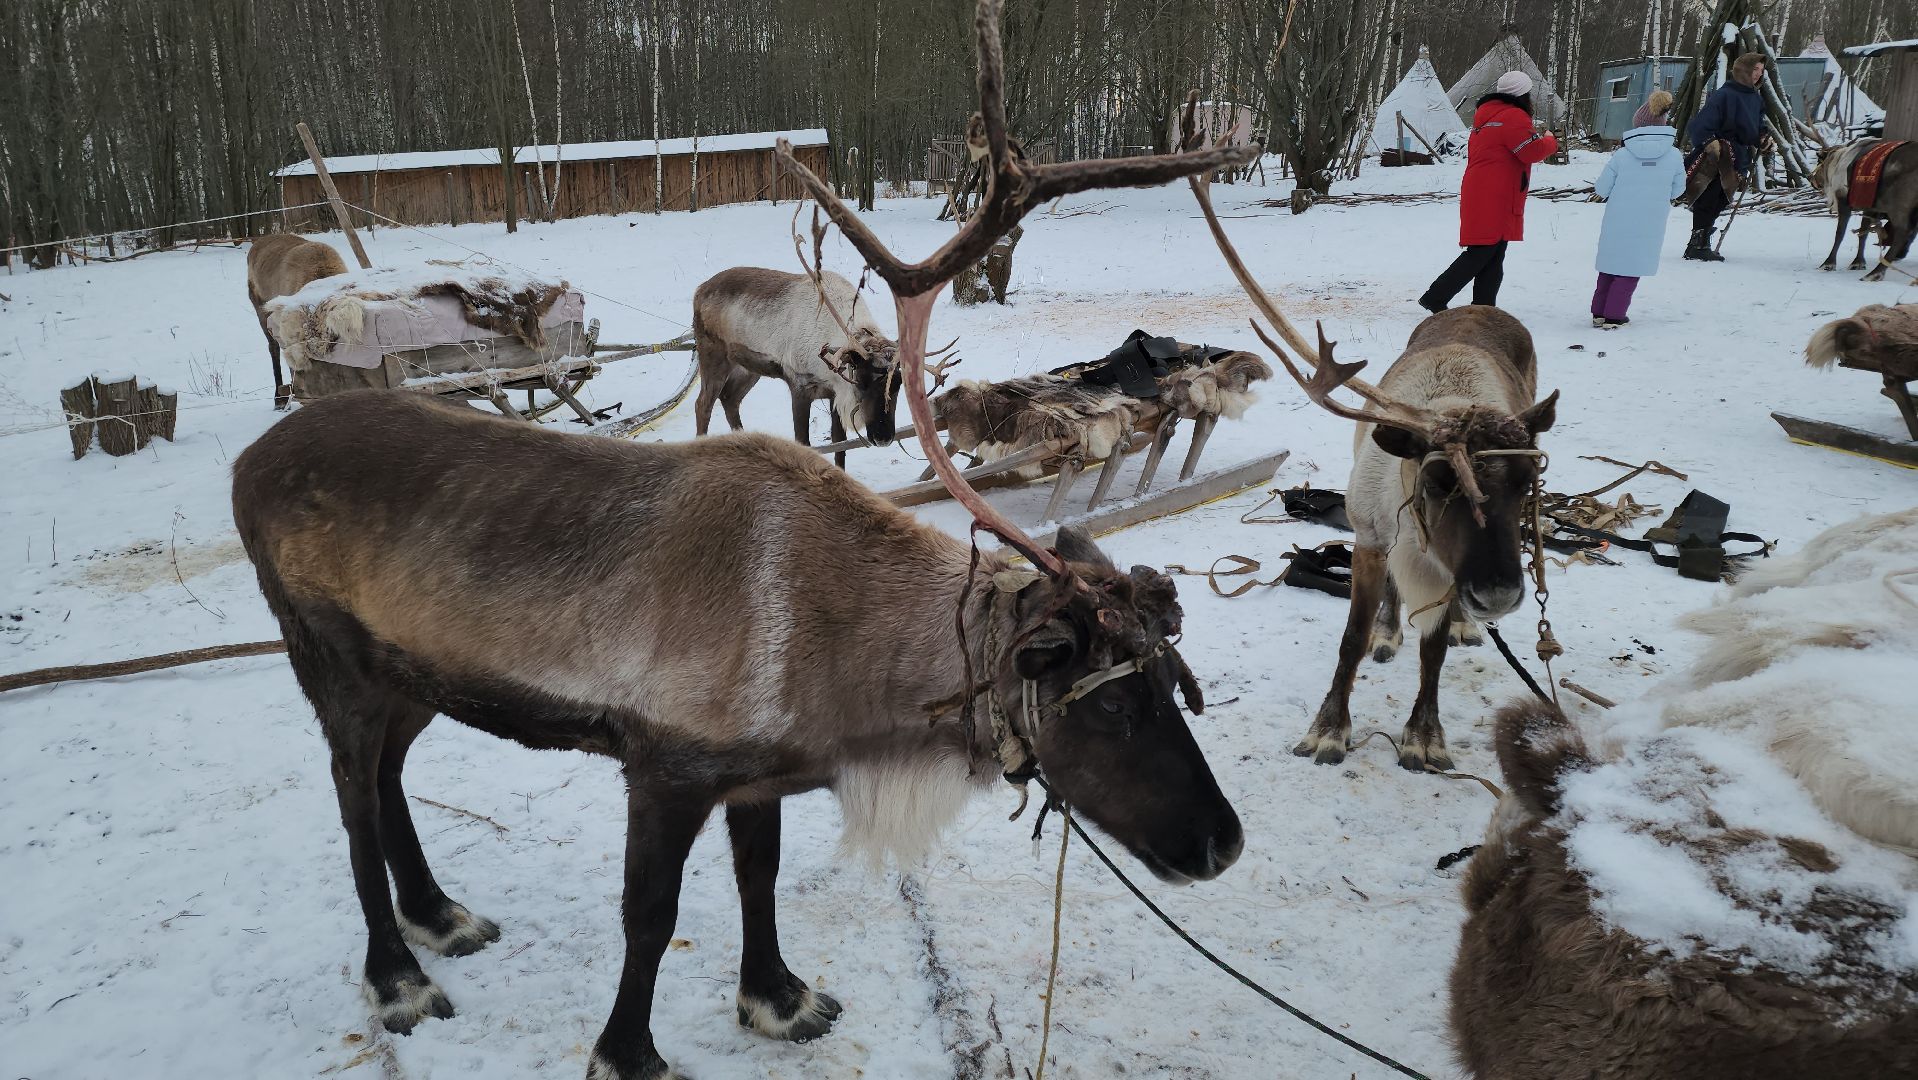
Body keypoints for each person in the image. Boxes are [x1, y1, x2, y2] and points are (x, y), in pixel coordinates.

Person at [1420, 71, 1559, 313]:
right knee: (1482, 251)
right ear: (1523, 95)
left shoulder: (1487, 115)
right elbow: (1531, 152)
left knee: (1493, 251)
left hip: (1485, 190)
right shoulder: (1513, 116)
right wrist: (1549, 140)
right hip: (1496, 194)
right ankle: (1435, 297)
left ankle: (1484, 306)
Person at [1590, 107, 1687, 327]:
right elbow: (1678, 190)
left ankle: (1599, 313)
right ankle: (1614, 315)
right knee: (1631, 267)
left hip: (1618, 220)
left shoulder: (1622, 155)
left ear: (1637, 124)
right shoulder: (1674, 155)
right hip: (1650, 223)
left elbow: (1602, 188)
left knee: (1610, 265)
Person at [1683, 52, 1770, 262]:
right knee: (1708, 198)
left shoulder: (1756, 98)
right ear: (1743, 70)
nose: (1758, 74)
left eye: (1761, 70)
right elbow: (1701, 124)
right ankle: (1696, 245)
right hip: (1717, 156)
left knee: (1721, 200)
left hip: (1738, 156)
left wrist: (1763, 138)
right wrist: (1709, 142)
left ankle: (1703, 242)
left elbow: (1758, 125)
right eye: (1754, 69)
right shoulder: (1724, 95)